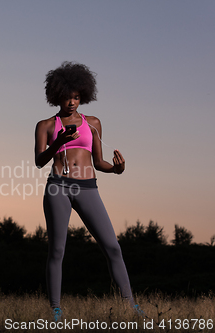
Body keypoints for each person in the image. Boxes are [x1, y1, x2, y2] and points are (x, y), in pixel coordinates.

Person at [34, 61, 143, 321]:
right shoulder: (46, 125)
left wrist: (116, 170)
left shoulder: (92, 123)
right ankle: (56, 310)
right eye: (67, 97)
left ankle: (131, 306)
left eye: (76, 97)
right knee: (57, 251)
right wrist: (57, 142)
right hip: (58, 186)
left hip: (88, 187)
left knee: (113, 247)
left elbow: (99, 162)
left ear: (83, 96)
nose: (72, 102)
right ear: (56, 95)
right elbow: (39, 161)